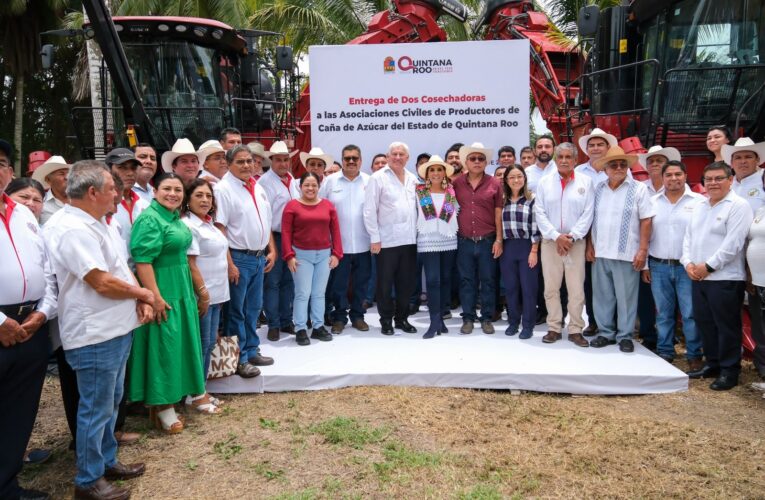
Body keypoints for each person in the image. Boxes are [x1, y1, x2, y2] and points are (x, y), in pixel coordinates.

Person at [44, 160, 154, 500]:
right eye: (112, 189)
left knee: (109, 402)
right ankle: (88, 480)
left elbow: (119, 267)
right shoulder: (72, 228)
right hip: (94, 334)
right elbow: (100, 281)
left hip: (114, 328)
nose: (118, 196)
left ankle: (105, 461)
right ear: (92, 192)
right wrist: (143, 293)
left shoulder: (97, 222)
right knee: (95, 408)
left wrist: (137, 297)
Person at [127, 174, 208, 432]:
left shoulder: (172, 217)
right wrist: (154, 296)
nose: (172, 193)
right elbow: (143, 261)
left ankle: (174, 397)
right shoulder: (150, 218)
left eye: (177, 189)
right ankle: (162, 406)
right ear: (155, 190)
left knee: (178, 345)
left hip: (180, 286)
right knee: (164, 345)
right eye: (167, 189)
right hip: (163, 288)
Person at [0, 139, 57, 500]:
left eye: (2, 163)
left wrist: (42, 312)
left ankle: (7, 486)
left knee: (19, 412)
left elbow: (46, 271)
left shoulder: (23, 215)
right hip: (1, 326)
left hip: (30, 325)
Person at [683, 161, 753, 389]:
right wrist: (688, 264)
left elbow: (733, 243)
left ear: (729, 180)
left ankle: (729, 370)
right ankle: (712, 363)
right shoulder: (701, 205)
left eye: (718, 178)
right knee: (705, 323)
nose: (713, 183)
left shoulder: (738, 206)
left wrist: (709, 266)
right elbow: (688, 238)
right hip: (698, 277)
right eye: (709, 179)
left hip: (725, 278)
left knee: (726, 326)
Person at [214, 145, 276, 378]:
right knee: (236, 312)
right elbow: (220, 228)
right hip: (239, 257)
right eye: (240, 162)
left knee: (252, 309)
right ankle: (238, 359)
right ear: (228, 164)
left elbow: (265, 222)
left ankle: (251, 350)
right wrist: (229, 264)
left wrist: (271, 249)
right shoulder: (223, 189)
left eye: (249, 161)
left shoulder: (256, 186)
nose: (247, 165)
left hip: (258, 257)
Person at [588, 146, 654, 353]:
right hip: (600, 252)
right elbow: (590, 219)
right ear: (606, 168)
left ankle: (625, 335)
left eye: (622, 164)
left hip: (626, 252)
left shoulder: (639, 189)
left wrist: (643, 250)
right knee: (602, 295)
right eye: (613, 164)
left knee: (626, 297)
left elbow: (646, 220)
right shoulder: (598, 189)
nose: (618, 168)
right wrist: (589, 245)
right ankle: (606, 333)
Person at [643, 160, 704, 368]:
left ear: (685, 176)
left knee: (690, 313)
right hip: (658, 265)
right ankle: (665, 351)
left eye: (678, 174)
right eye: (668, 175)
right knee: (663, 313)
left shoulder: (698, 202)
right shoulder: (653, 202)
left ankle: (694, 354)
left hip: (687, 267)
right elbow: (645, 235)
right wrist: (645, 265)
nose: (673, 178)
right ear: (663, 177)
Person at [534, 143, 594, 346]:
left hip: (575, 244)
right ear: (555, 159)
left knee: (576, 288)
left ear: (576, 160)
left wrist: (572, 237)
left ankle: (576, 329)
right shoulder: (544, 183)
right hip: (551, 243)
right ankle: (554, 327)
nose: (564, 160)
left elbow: (588, 213)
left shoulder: (586, 182)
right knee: (551, 287)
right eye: (560, 157)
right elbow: (539, 212)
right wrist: (555, 236)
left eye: (569, 157)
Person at [363, 141, 419, 335]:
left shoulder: (413, 179)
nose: (397, 157)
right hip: (386, 242)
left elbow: (421, 209)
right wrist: (375, 238)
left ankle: (402, 319)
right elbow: (369, 210)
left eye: (401, 154)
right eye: (393, 154)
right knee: (385, 284)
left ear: (407, 158)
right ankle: (386, 320)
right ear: (388, 157)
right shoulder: (378, 178)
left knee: (406, 284)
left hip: (410, 241)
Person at [282, 172, 342, 345]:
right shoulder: (292, 206)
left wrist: (337, 254)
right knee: (302, 293)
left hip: (324, 255)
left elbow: (336, 231)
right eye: (307, 185)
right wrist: (289, 256)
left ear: (319, 186)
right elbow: (286, 233)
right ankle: (300, 328)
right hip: (301, 255)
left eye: (314, 185)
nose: (310, 188)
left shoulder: (328, 205)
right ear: (300, 187)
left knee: (319, 293)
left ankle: (318, 327)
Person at [183, 179, 230, 393]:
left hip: (217, 294)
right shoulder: (189, 225)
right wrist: (203, 294)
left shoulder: (209, 223)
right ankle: (196, 393)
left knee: (210, 343)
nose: (204, 200)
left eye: (208, 196)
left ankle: (201, 388)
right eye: (199, 195)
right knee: (201, 345)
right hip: (203, 295)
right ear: (188, 199)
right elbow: (190, 263)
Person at [320, 144, 372, 334]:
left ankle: (358, 316)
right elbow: (320, 208)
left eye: (355, 158)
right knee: (338, 285)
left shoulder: (369, 181)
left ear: (361, 160)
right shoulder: (330, 182)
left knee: (362, 283)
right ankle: (339, 317)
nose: (351, 161)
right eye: (347, 158)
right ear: (342, 160)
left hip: (364, 243)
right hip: (337, 246)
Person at [453, 142, 503, 334]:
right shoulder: (456, 183)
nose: (476, 161)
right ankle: (467, 317)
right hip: (464, 241)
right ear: (466, 162)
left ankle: (487, 318)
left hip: (488, 241)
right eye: (472, 158)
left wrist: (499, 240)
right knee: (466, 280)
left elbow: (498, 213)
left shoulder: (495, 183)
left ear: (486, 162)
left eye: (480, 159)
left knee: (488, 280)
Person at [635, 146, 681, 350]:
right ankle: (649, 335)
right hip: (647, 254)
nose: (654, 164)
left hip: (673, 256)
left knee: (672, 304)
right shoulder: (639, 188)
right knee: (645, 298)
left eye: (659, 160)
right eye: (651, 161)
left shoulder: (677, 191)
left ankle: (670, 338)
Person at [574, 128, 618, 335]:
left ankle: (615, 324)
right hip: (587, 235)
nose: (595, 148)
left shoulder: (618, 168)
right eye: (592, 145)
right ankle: (593, 321)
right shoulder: (579, 172)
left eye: (600, 144)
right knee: (591, 283)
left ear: (608, 147)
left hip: (614, 234)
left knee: (615, 283)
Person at [259, 141, 301, 341]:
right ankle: (274, 324)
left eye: (286, 160)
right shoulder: (264, 183)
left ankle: (286, 320)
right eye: (279, 160)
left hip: (292, 236)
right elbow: (265, 217)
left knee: (288, 281)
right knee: (273, 282)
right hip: (274, 235)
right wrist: (271, 247)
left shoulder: (292, 180)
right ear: (272, 161)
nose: (283, 164)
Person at [414, 155, 459, 339]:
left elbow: (457, 211)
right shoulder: (419, 192)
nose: (435, 173)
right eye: (431, 170)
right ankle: (433, 321)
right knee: (433, 280)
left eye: (439, 169)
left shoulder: (451, 192)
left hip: (448, 239)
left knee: (446, 279)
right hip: (428, 240)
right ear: (426, 173)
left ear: (444, 173)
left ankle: (440, 319)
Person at [498, 164, 541, 338]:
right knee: (511, 287)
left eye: (519, 176)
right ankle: (513, 321)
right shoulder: (502, 200)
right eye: (512, 177)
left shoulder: (532, 199)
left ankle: (528, 325)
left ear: (524, 178)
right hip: (508, 247)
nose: (516, 180)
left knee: (528, 287)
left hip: (527, 247)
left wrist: (534, 249)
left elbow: (536, 226)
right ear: (506, 181)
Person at [106, 148, 150, 252]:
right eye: (122, 167)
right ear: (108, 170)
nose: (130, 173)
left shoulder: (145, 204)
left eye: (133, 168)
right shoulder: (102, 205)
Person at [723, 137, 765, 212]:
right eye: (738, 158)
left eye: (748, 157)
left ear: (757, 160)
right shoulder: (726, 185)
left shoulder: (763, 180)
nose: (743, 161)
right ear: (731, 163)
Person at [32, 155, 70, 225]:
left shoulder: (82, 200)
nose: (67, 177)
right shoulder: (40, 203)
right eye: (61, 174)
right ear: (48, 180)